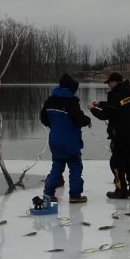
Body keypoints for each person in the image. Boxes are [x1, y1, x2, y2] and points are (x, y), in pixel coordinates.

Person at [40, 73, 91, 203]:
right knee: (75, 167)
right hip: (70, 141)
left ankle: (48, 193)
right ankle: (75, 195)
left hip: (55, 141)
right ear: (70, 88)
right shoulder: (72, 102)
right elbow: (79, 119)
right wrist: (88, 120)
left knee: (57, 167)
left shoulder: (50, 101)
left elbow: (43, 118)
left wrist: (56, 127)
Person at [90, 72, 130, 199]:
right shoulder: (128, 92)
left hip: (120, 137)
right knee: (128, 162)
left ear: (114, 82)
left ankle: (121, 191)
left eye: (109, 83)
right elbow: (116, 106)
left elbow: (105, 115)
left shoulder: (116, 94)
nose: (108, 85)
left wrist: (92, 109)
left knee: (116, 163)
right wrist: (100, 104)